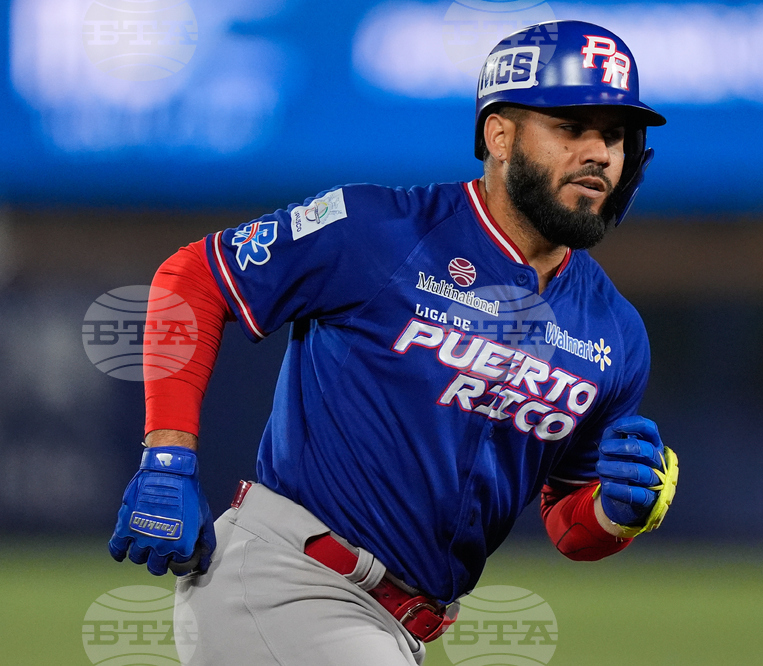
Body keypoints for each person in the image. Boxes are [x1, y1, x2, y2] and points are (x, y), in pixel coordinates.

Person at [108, 19, 678, 666]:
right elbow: (193, 279)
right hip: (288, 584)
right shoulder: (379, 229)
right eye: (572, 128)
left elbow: (567, 526)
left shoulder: (614, 332)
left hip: (396, 627)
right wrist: (167, 457)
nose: (599, 153)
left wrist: (615, 512)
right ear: (500, 135)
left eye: (614, 136)